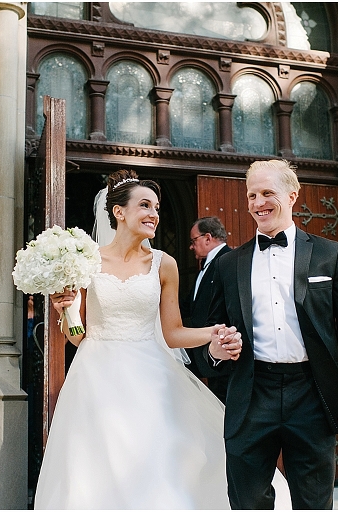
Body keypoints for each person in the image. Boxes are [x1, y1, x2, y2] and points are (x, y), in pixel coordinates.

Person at [33, 169, 246, 509]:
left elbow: (173, 334)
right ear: (119, 212)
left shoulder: (165, 264)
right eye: (145, 205)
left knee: (157, 464)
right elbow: (77, 336)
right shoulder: (86, 263)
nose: (154, 214)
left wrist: (214, 332)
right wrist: (65, 312)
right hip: (96, 375)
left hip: (151, 376)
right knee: (98, 469)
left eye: (158, 208)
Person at [198, 159, 338, 510]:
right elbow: (210, 336)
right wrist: (216, 352)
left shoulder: (331, 255)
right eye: (252, 195)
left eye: (268, 192)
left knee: (313, 503)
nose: (257, 202)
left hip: (311, 394)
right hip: (251, 395)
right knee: (247, 502)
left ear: (292, 195)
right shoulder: (228, 264)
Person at [181, 216, 232, 403]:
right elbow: (191, 306)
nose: (191, 246)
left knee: (222, 404)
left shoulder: (228, 261)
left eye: (194, 240)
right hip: (202, 349)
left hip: (222, 350)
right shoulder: (205, 266)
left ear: (208, 238)